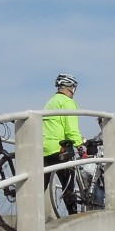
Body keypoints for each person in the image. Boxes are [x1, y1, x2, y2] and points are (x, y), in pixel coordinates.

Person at [42, 74, 84, 215]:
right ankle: (73, 217)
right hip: (60, 148)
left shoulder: (50, 102)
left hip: (44, 148)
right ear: (70, 88)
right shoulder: (67, 102)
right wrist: (79, 144)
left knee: (40, 186)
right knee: (68, 185)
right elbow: (70, 128)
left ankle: (28, 219)